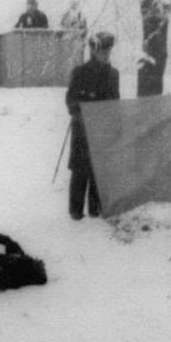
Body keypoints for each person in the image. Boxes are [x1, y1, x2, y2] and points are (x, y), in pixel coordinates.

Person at [65, 32, 120, 220]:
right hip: (82, 130)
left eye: (109, 50)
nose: (107, 54)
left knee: (99, 169)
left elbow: (115, 102)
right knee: (80, 170)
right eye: (103, 50)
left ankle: (95, 210)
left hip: (103, 130)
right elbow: (71, 100)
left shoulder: (113, 74)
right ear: (94, 50)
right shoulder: (80, 72)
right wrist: (79, 114)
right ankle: (76, 212)